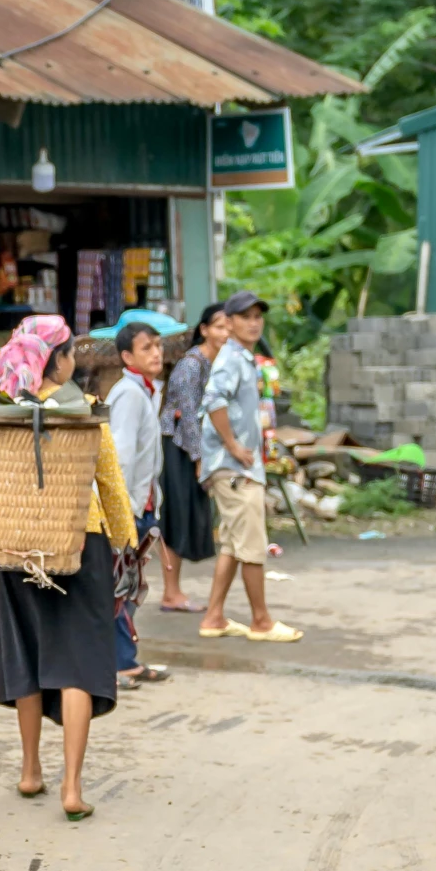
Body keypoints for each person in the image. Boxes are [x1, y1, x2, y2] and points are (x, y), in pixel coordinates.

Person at [0, 315, 136, 821]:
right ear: (58, 359)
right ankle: (73, 788)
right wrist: (128, 548)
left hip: (16, 550)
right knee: (78, 663)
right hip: (80, 548)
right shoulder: (84, 413)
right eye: (70, 354)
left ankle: (30, 771)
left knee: (30, 659)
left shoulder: (2, 417)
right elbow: (112, 488)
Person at [197, 293, 301, 643]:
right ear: (231, 322)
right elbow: (212, 400)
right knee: (253, 545)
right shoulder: (232, 358)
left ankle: (214, 617)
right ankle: (261, 620)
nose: (254, 322)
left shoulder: (244, 358)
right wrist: (232, 444)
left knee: (232, 544)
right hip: (235, 467)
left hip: (236, 466)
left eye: (258, 316)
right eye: (246, 317)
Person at [106, 319, 167, 688]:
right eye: (147, 348)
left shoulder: (144, 391)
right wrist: (124, 511)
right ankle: (122, 661)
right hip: (129, 507)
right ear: (127, 356)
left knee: (127, 585)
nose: (156, 353)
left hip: (140, 503)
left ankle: (121, 658)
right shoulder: (129, 394)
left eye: (157, 346)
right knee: (123, 586)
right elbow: (123, 456)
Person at [158, 305, 228, 610]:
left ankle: (174, 591)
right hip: (178, 447)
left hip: (196, 446)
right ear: (204, 330)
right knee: (176, 516)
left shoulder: (219, 363)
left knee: (190, 515)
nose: (225, 333)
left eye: (229, 327)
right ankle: (171, 592)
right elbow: (186, 415)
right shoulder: (191, 365)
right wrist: (199, 458)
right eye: (219, 327)